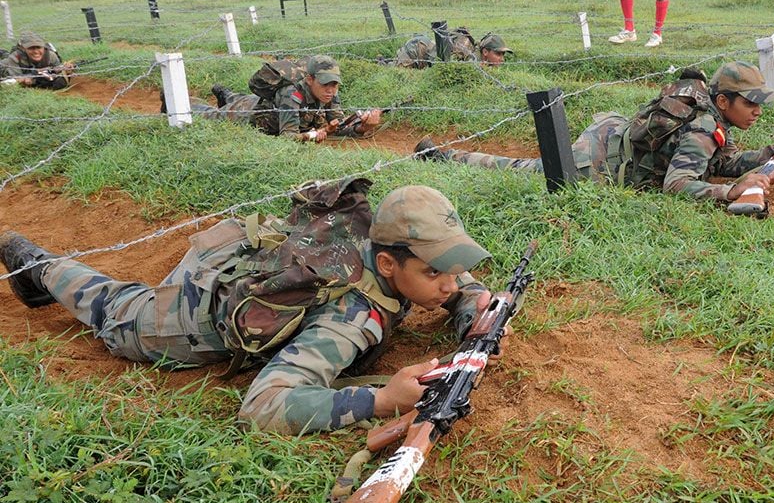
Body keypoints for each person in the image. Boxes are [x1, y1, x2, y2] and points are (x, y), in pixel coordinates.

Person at [0, 180, 502, 436]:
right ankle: (37, 265)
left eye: (451, 268)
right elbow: (262, 405)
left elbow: (455, 283)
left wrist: (470, 305)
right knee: (113, 310)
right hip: (189, 318)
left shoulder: (383, 235)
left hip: (249, 256)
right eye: (436, 273)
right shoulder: (348, 323)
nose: (450, 282)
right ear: (389, 264)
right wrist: (379, 401)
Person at [415, 61, 774, 215]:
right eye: (751, 103)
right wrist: (728, 193)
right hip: (602, 161)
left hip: (617, 137)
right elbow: (677, 184)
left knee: (528, 166)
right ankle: (444, 157)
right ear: (724, 100)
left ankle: (445, 155)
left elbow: (716, 162)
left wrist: (771, 153)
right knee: (527, 169)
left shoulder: (710, 120)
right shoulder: (705, 127)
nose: (758, 110)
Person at [188, 55, 382, 142]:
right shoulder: (292, 95)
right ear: (309, 79)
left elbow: (337, 126)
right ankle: (180, 102)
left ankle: (225, 93)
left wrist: (363, 126)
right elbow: (287, 137)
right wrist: (314, 134)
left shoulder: (330, 92)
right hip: (248, 115)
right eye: (325, 84)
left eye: (335, 84)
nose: (331, 90)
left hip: (263, 104)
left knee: (236, 98)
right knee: (210, 115)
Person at [384, 31, 512, 69]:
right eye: (498, 54)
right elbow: (450, 69)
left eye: (503, 54)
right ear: (485, 52)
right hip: (417, 50)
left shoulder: (481, 61)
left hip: (427, 58)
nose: (502, 59)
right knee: (393, 73)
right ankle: (380, 63)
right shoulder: (470, 56)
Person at [0, 31, 73, 90]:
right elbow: (16, 80)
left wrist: (65, 69)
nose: (36, 51)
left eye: (38, 47)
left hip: (31, 72)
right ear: (23, 48)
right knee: (5, 60)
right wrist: (37, 73)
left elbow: (58, 71)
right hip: (6, 68)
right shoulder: (15, 58)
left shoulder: (51, 56)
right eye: (31, 48)